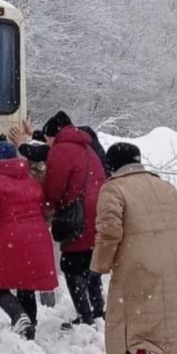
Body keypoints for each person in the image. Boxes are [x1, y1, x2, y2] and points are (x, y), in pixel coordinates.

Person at [91, 143, 177, 354]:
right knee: (159, 319)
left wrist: (100, 264)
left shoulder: (113, 189)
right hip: (171, 261)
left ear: (111, 165)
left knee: (132, 324)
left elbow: (109, 232)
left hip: (137, 264)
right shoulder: (166, 187)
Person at [0, 141, 58, 339]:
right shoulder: (31, 180)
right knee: (26, 286)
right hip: (38, 239)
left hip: (10, 239)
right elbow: (44, 208)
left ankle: (18, 315)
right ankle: (30, 329)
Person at [41, 112, 107, 330]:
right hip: (98, 211)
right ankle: (98, 310)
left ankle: (85, 317)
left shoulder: (62, 149)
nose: (47, 144)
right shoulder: (87, 146)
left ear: (53, 134)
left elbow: (54, 188)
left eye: (47, 139)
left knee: (71, 265)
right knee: (90, 263)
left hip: (78, 215)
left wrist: (47, 208)